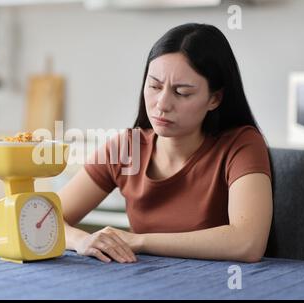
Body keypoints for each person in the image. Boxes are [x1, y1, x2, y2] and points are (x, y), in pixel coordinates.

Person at [58, 23, 273, 264]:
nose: (162, 104)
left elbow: (248, 243)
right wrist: (80, 241)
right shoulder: (126, 149)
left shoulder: (241, 144)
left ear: (214, 98)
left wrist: (140, 241)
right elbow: (46, 219)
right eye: (154, 86)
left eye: (181, 92)